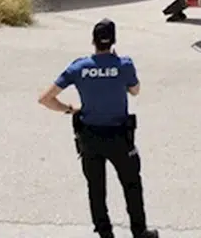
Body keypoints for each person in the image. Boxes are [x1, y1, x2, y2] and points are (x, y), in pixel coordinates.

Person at [38, 19, 159, 238]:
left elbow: (45, 99)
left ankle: (105, 234)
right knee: (131, 184)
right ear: (114, 41)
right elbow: (135, 91)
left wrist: (71, 109)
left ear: (93, 41)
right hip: (120, 138)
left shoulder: (79, 67)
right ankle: (140, 232)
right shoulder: (124, 65)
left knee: (96, 188)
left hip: (90, 137)